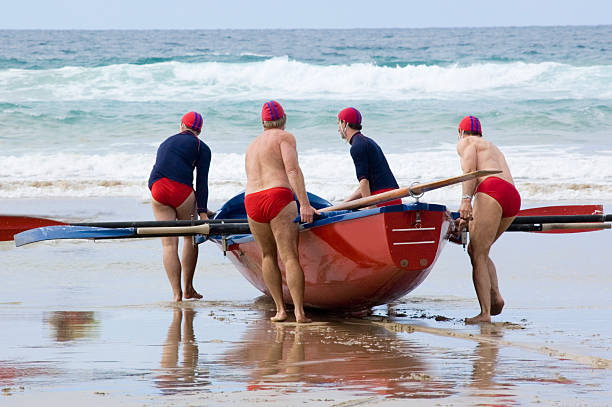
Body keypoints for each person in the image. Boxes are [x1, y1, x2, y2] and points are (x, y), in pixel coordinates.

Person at [244, 100, 317, 323]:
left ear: (263, 123)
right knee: (289, 256)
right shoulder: (285, 137)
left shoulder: (252, 145)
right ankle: (299, 312)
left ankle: (279, 311)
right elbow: (292, 170)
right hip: (277, 196)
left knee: (268, 255)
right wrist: (304, 204)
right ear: (283, 120)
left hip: (251, 200)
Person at [456, 115, 521, 324]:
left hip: (491, 190)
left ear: (461, 132)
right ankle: (495, 296)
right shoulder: (492, 147)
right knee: (481, 249)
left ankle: (485, 313)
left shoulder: (467, 143)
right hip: (512, 195)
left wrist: (466, 202)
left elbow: (470, 173)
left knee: (477, 253)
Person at [148, 112, 211, 302]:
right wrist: (202, 211)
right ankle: (188, 289)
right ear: (199, 130)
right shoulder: (202, 147)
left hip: (157, 188)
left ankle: (176, 295)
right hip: (180, 191)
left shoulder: (166, 142)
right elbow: (202, 182)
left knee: (168, 244)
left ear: (182, 125)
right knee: (190, 238)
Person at [337, 107, 402, 207]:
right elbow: (366, 186)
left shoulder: (356, 147)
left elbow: (364, 182)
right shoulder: (368, 142)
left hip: (382, 199)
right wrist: (342, 204)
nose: (338, 129)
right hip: (393, 197)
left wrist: (370, 209)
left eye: (338, 124)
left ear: (344, 123)